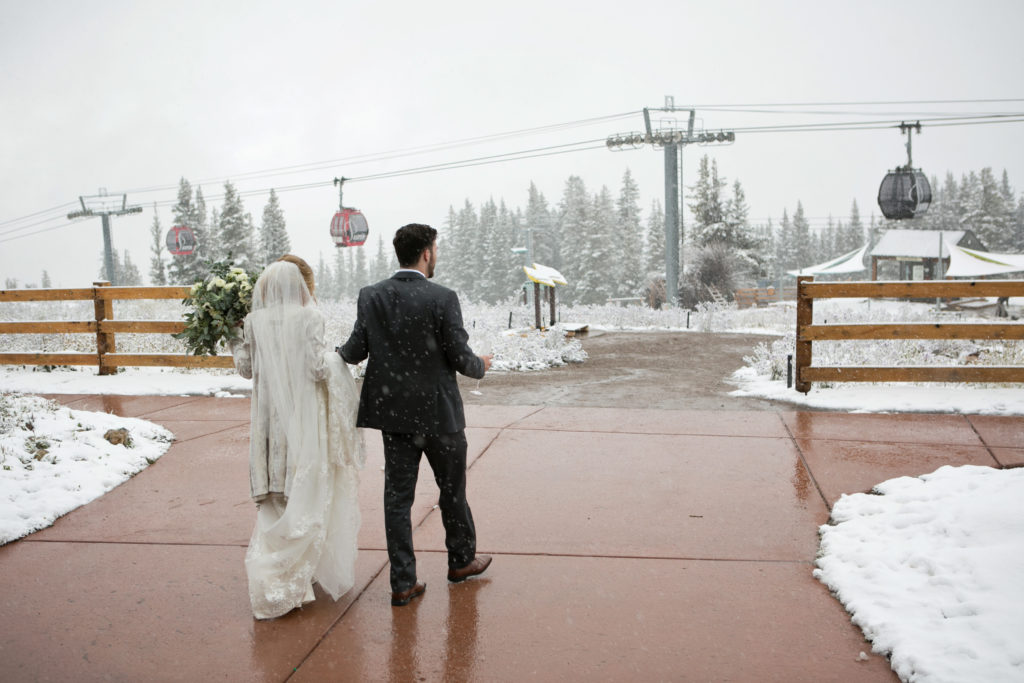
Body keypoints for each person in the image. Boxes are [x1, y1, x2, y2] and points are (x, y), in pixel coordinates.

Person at [338, 223, 493, 607]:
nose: (435, 255)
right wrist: (482, 364)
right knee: (452, 491)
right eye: (435, 249)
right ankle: (460, 561)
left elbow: (354, 351)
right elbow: (461, 359)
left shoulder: (371, 296)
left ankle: (403, 583)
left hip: (395, 417)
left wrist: (326, 354)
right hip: (441, 417)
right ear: (426, 253)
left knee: (397, 500)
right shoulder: (442, 297)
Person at [231, 255, 364, 619]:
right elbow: (318, 368)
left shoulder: (254, 323)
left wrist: (232, 336)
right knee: (303, 497)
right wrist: (340, 360)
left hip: (267, 424)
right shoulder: (310, 317)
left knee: (273, 498)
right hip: (303, 422)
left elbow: (245, 370)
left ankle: (276, 576)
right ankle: (295, 578)